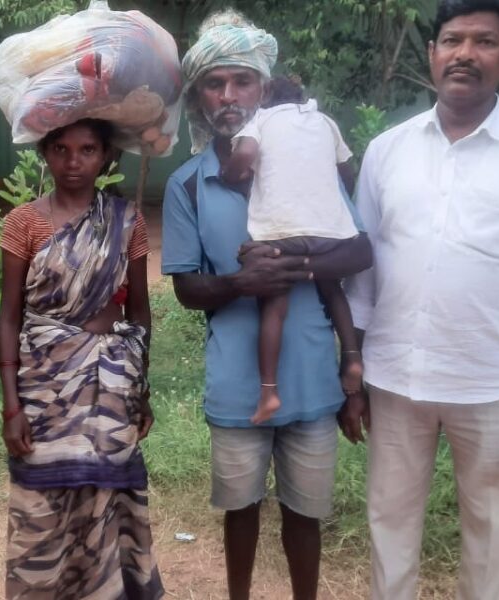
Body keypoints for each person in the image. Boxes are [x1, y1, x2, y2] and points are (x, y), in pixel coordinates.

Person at [346, 1, 499, 598]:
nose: (465, 54)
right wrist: (351, 373)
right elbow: (363, 279)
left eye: (484, 42)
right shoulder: (386, 151)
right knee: (389, 525)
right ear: (432, 54)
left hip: (495, 386)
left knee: (490, 532)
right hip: (397, 379)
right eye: (453, 40)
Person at [162, 10, 373, 600]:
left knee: (306, 516)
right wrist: (238, 283)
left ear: (262, 87)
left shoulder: (307, 164)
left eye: (242, 81)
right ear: (200, 94)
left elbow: (358, 249)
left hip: (311, 381)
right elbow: (184, 287)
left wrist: (297, 267)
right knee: (241, 511)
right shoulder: (187, 184)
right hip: (236, 386)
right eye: (214, 83)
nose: (228, 95)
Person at [0, 118, 163, 600]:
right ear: (45, 154)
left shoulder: (125, 219)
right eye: (61, 149)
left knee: (106, 501)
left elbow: (140, 310)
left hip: (110, 387)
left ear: (105, 155)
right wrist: (11, 407)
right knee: (41, 503)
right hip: (43, 388)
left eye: (87, 149)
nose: (74, 162)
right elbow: (9, 318)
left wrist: (141, 392)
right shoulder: (23, 222)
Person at [222, 75, 363, 425]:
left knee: (274, 302)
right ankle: (353, 358)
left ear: (266, 95)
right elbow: (346, 169)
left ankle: (269, 392)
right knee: (332, 288)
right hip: (330, 228)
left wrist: (231, 175)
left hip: (281, 229)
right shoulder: (324, 121)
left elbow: (246, 154)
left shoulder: (263, 120)